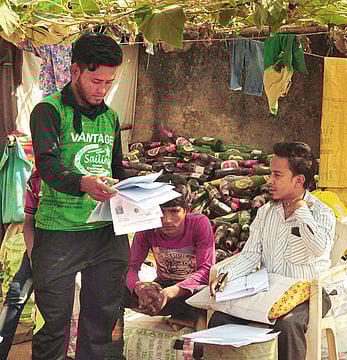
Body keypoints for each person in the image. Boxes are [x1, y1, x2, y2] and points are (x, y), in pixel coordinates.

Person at [29, 33, 130, 360]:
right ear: (74, 72)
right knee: (52, 323)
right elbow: (48, 166)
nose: (102, 90)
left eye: (109, 82)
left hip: (105, 234)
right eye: (96, 80)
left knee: (101, 321)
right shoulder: (48, 111)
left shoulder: (111, 117)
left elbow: (117, 167)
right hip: (59, 234)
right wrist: (84, 183)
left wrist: (133, 194)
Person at [209, 142, 336, 360]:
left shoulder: (321, 213)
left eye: (277, 175)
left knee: (287, 325)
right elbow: (250, 255)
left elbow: (318, 249)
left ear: (299, 181)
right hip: (268, 291)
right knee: (220, 319)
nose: (269, 181)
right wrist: (226, 276)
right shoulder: (267, 212)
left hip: (309, 295)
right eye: (269, 174)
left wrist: (302, 212)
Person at [106, 174, 215, 359]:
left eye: (174, 211)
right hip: (163, 291)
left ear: (186, 209)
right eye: (160, 211)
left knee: (204, 294)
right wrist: (140, 288)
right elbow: (131, 268)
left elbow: (206, 270)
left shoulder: (199, 224)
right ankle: (114, 352)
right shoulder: (147, 227)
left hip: (190, 293)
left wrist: (172, 292)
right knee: (114, 291)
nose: (166, 220)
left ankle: (198, 351)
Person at [0, 169, 40, 359]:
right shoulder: (37, 179)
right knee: (16, 295)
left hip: (75, 253)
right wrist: (33, 257)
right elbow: (29, 222)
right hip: (40, 249)